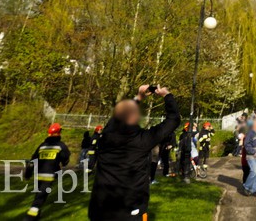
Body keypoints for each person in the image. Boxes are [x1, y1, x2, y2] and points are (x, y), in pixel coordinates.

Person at [88, 85, 181, 220]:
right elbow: (173, 119)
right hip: (129, 209)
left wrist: (139, 96)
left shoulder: (106, 136)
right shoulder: (142, 140)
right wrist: (166, 95)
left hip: (101, 208)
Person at [24, 123, 71, 220]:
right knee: (39, 199)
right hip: (49, 176)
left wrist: (28, 174)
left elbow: (32, 161)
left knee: (39, 195)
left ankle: (37, 215)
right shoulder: (60, 146)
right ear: (58, 133)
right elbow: (65, 159)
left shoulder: (42, 146)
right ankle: (29, 218)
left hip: (38, 175)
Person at [241, 118, 256, 197]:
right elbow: (246, 144)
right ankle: (246, 186)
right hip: (251, 156)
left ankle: (253, 190)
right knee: (254, 171)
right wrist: (253, 151)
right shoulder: (250, 133)